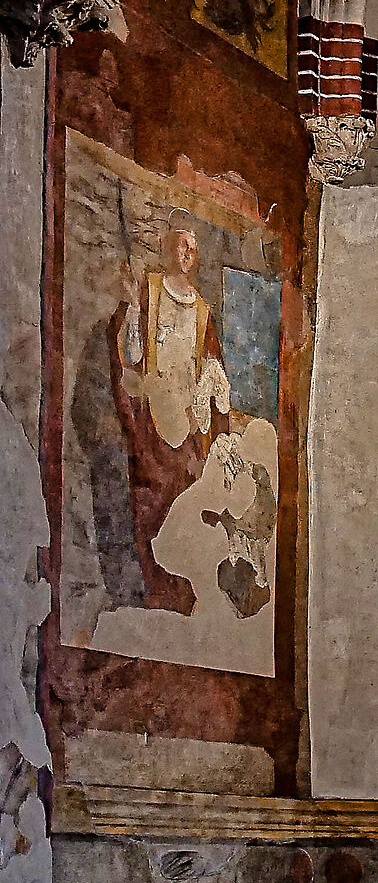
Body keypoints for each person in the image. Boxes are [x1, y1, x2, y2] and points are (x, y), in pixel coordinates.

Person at [109, 224, 230, 617]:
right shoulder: (150, 290)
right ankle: (155, 588)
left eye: (192, 249)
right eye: (180, 246)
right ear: (167, 249)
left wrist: (211, 401)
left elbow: (210, 363)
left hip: (187, 422)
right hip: (155, 420)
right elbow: (130, 351)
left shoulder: (202, 310)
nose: (185, 255)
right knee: (151, 501)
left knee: (184, 502)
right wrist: (130, 307)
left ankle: (183, 595)